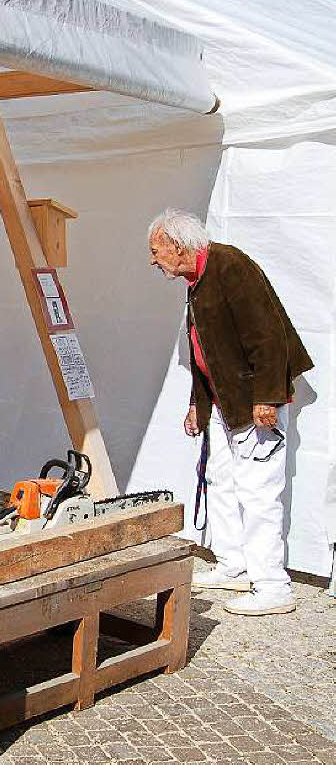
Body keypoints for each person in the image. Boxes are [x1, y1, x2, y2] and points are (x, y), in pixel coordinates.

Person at [148, 209, 312, 616]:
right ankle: (234, 563)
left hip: (255, 400)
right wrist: (196, 404)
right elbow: (204, 350)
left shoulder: (231, 266)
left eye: (156, 251)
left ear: (177, 245)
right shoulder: (196, 281)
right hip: (224, 401)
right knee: (221, 480)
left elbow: (268, 336)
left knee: (258, 488)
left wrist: (267, 397)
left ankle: (273, 585)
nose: (154, 260)